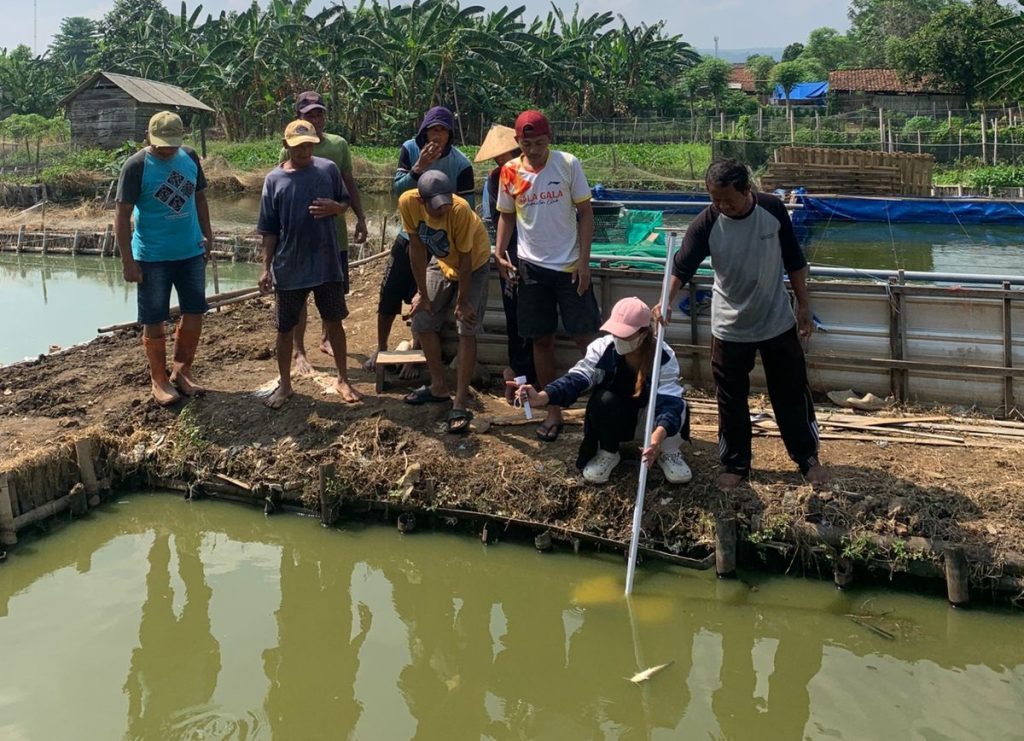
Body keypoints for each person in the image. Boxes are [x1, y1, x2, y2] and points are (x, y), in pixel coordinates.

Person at [653, 159, 828, 492]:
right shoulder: (707, 222)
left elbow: (794, 261)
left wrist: (804, 305)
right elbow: (682, 266)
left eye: (728, 199)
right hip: (729, 326)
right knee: (731, 398)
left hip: (775, 319)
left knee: (791, 392)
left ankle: (807, 458)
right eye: (715, 199)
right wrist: (667, 300)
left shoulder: (772, 210)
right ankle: (736, 464)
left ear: (747, 189)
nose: (722, 206)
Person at [495, 109, 600, 443]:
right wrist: (499, 253)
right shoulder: (509, 172)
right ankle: (552, 409)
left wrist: (584, 262)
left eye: (540, 143)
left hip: (570, 266)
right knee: (541, 338)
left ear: (549, 139)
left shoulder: (568, 164)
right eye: (528, 144)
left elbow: (585, 214)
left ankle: (598, 407)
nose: (534, 150)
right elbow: (506, 217)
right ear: (518, 142)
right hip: (530, 267)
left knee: (587, 338)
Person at [514, 297, 692, 485]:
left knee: (678, 406)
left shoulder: (662, 355)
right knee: (603, 400)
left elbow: (669, 400)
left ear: (643, 333)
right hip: (619, 417)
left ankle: (668, 451)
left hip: (651, 419)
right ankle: (608, 451)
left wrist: (657, 437)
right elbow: (578, 378)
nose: (619, 339)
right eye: (616, 333)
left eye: (625, 335)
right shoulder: (603, 348)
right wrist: (543, 397)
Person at [257, 119, 361, 409]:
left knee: (334, 320)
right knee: (284, 327)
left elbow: (344, 201)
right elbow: (269, 229)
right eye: (298, 146)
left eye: (308, 145)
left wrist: (336, 208)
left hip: (326, 261)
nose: (304, 151)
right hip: (290, 264)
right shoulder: (274, 180)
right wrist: (266, 267)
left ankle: (342, 378)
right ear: (286, 146)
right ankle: (285, 385)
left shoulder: (327, 169)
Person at [115, 110, 214, 406]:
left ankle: (182, 371)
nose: (168, 149)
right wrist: (128, 261)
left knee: (194, 310)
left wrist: (208, 235)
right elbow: (121, 215)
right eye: (162, 144)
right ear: (149, 137)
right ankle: (158, 378)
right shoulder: (136, 166)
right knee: (154, 317)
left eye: (172, 143)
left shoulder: (190, 157)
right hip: (153, 256)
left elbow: (199, 198)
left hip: (191, 251)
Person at [366, 106, 475, 374]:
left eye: (442, 130)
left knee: (424, 297)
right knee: (389, 292)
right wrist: (419, 168)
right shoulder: (409, 149)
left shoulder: (461, 164)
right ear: (423, 132)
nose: (436, 136)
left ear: (450, 135)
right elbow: (398, 189)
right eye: (432, 130)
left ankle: (416, 351)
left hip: (440, 242)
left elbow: (468, 209)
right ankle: (380, 348)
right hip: (409, 233)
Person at [280, 90, 368, 376]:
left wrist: (359, 217)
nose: (316, 119)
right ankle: (299, 350)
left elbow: (348, 184)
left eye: (319, 113)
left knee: (332, 292)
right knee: (298, 296)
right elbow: (281, 186)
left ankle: (327, 338)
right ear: (299, 118)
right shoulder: (289, 147)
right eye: (309, 115)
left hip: (333, 237)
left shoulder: (337, 146)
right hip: (300, 238)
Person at [400, 171, 490, 433]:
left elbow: (465, 260)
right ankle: (439, 387)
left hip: (473, 264)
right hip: (440, 262)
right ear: (421, 200)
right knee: (422, 319)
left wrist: (462, 301)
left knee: (466, 325)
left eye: (445, 204)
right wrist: (422, 293)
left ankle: (460, 401)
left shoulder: (459, 210)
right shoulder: (408, 202)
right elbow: (415, 248)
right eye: (435, 206)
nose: (442, 210)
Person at [476, 124, 535, 401]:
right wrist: (500, 253)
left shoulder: (535, 171)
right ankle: (519, 376)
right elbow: (498, 218)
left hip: (536, 252)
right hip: (510, 254)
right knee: (514, 318)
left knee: (535, 319)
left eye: (507, 155)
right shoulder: (495, 179)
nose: (503, 161)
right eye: (498, 158)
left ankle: (532, 379)